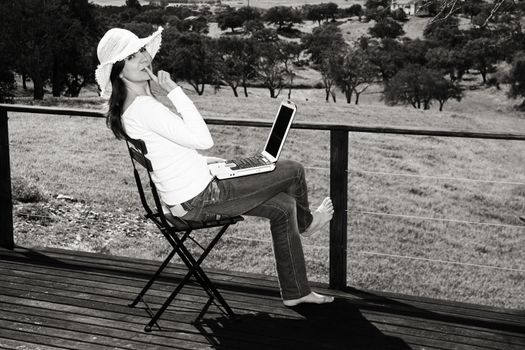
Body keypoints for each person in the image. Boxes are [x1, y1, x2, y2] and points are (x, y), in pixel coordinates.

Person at [95, 27, 334, 306]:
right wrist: (175, 92)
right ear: (119, 70)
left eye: (141, 51)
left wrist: (204, 163)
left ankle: (296, 292)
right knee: (293, 170)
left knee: (284, 208)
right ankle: (308, 224)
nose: (143, 58)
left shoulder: (131, 106)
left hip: (190, 192)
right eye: (132, 56)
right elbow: (203, 139)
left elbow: (166, 153)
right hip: (201, 196)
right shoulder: (145, 107)